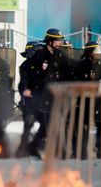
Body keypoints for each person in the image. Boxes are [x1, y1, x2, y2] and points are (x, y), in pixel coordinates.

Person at [25, 28, 73, 157]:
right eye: (57, 40)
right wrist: (26, 87)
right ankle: (57, 151)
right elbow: (24, 69)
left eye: (61, 40)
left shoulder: (62, 54)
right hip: (41, 95)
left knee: (54, 123)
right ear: (50, 41)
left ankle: (35, 147)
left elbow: (70, 70)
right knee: (49, 124)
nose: (60, 43)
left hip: (57, 95)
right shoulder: (39, 54)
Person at [16, 41, 40, 157]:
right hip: (29, 101)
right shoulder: (25, 66)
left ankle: (33, 147)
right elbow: (23, 84)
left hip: (40, 100)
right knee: (28, 124)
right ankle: (22, 150)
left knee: (45, 125)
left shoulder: (42, 64)